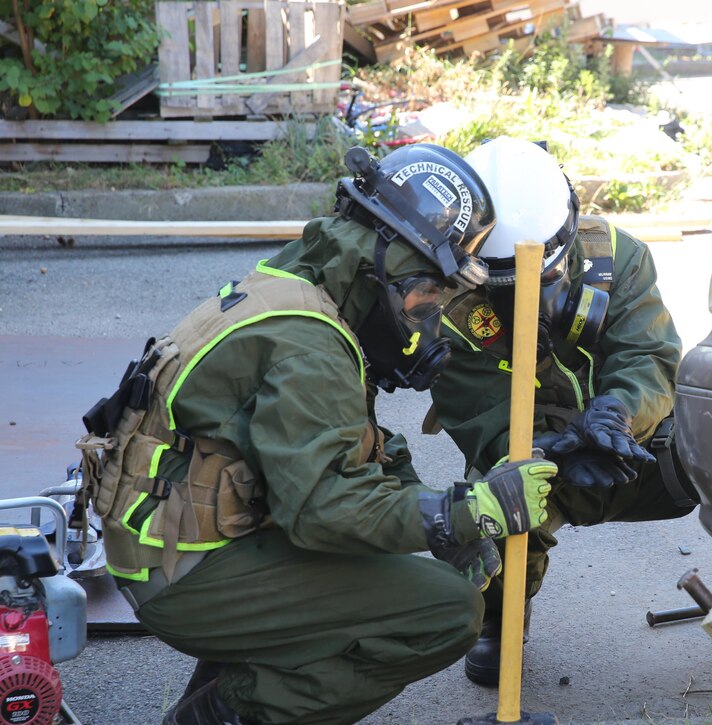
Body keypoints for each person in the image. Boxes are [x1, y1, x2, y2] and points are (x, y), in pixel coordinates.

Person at [75, 143, 557, 725]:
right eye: (426, 293)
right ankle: (222, 715)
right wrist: (463, 512)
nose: (427, 317)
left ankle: (247, 668)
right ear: (383, 262)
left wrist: (437, 523)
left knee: (405, 577)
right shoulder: (310, 345)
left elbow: (353, 440)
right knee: (446, 609)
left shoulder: (302, 285)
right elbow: (324, 510)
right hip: (188, 573)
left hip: (180, 543)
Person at [428, 136, 698, 686]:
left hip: (635, 449)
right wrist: (551, 452)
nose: (532, 299)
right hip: (545, 458)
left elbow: (649, 355)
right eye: (504, 287)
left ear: (569, 238)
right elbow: (481, 416)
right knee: (487, 507)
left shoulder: (617, 255)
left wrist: (620, 413)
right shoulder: (451, 310)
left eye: (546, 280)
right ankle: (501, 618)